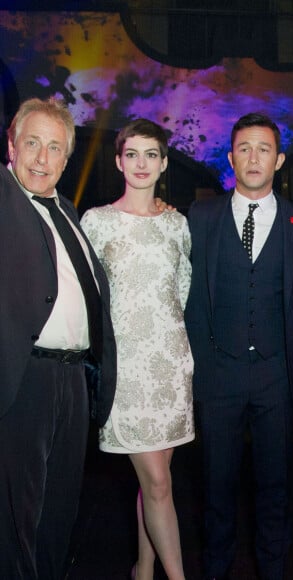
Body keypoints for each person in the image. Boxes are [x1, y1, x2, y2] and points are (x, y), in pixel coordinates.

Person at [184, 112, 293, 580]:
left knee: (275, 488)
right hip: (217, 375)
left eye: (264, 148)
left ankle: (273, 571)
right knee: (216, 487)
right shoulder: (200, 217)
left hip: (274, 376)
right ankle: (216, 570)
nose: (254, 157)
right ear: (231, 158)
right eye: (244, 148)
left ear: (279, 159)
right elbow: (190, 301)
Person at [0, 97, 117, 579]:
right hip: (22, 377)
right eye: (32, 144)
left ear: (68, 160)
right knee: (15, 521)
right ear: (11, 145)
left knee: (57, 514)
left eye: (55, 148)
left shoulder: (67, 211)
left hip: (72, 382)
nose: (42, 159)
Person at [81, 119, 194, 580]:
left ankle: (143, 570)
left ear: (164, 163)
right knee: (160, 483)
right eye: (133, 154)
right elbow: (87, 297)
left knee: (153, 486)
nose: (142, 163)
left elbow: (180, 293)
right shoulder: (97, 221)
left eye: (152, 154)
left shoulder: (176, 223)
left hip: (171, 368)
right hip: (127, 372)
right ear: (118, 161)